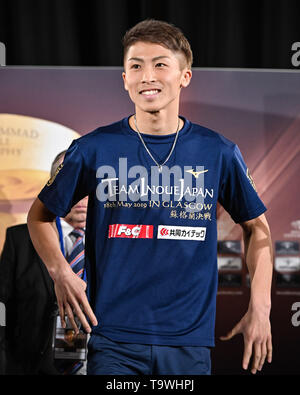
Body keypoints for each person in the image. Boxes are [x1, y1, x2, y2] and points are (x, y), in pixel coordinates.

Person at [27, 19, 273, 375]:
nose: (147, 76)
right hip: (113, 339)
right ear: (124, 79)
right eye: (136, 66)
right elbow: (40, 216)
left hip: (188, 342)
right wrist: (61, 273)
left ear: (185, 76)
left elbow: (258, 228)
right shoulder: (93, 148)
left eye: (160, 64)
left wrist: (261, 308)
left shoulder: (218, 151)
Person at [0, 150, 88, 375]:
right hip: (30, 365)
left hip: (98, 364)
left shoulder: (116, 243)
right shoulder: (19, 239)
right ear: (54, 189)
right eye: (70, 184)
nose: (79, 196)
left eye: (87, 185)